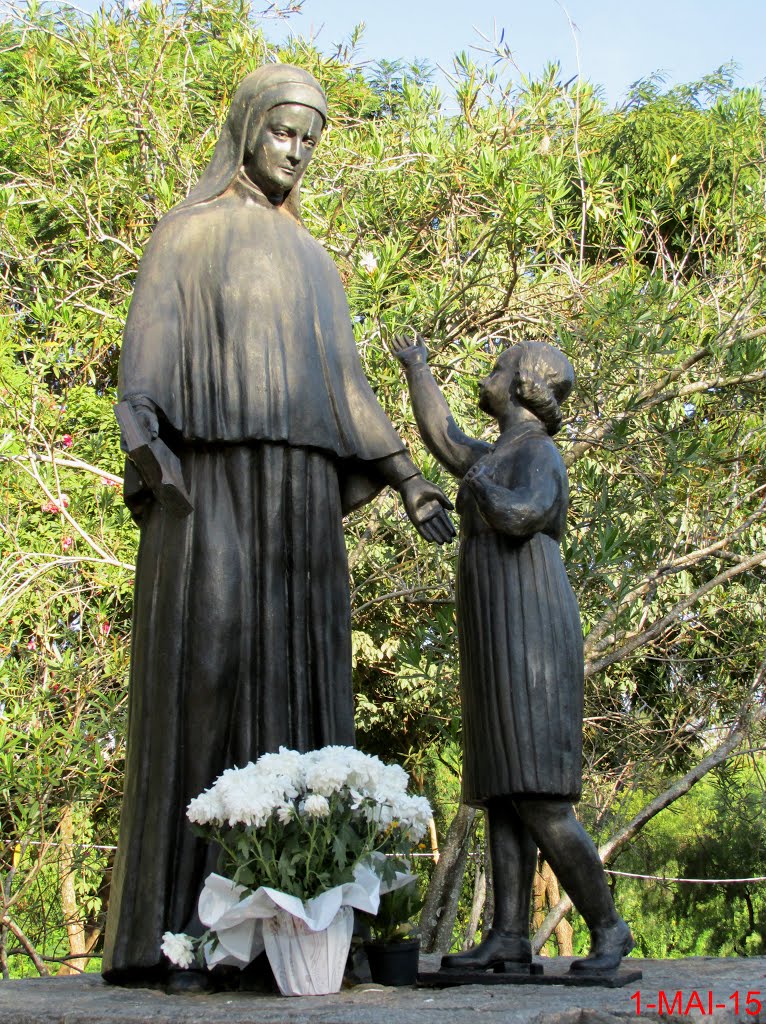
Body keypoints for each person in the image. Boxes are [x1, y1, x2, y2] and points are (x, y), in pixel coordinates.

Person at [103, 65, 454, 990]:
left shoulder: (315, 262)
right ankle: (179, 934)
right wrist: (146, 443)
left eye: (311, 137)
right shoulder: (186, 234)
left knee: (301, 690)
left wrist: (410, 477)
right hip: (213, 482)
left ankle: (298, 935)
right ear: (249, 126)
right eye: (284, 131)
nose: (296, 150)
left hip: (301, 501)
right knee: (204, 678)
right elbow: (144, 367)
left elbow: (347, 387)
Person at [392, 335, 633, 973]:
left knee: (540, 795)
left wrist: (478, 490)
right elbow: (443, 437)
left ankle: (609, 928)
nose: (488, 374)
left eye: (499, 367)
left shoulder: (538, 453)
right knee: (503, 788)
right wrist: (418, 370)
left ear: (525, 385)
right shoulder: (497, 453)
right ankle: (508, 936)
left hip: (531, 636)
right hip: (496, 636)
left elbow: (526, 514)